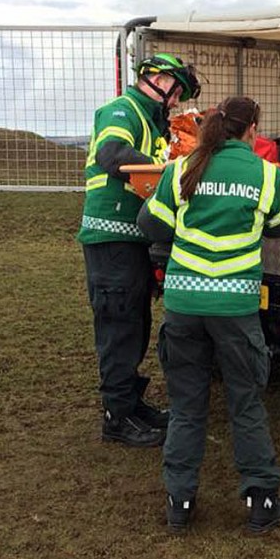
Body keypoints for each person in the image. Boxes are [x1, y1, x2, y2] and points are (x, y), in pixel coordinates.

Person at [137, 96, 280, 534]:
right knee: (246, 404)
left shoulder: (181, 170)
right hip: (235, 308)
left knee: (187, 408)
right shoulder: (267, 174)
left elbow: (150, 224)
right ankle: (262, 501)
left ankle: (180, 502)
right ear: (252, 130)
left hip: (184, 305)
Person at [78, 53, 201, 448]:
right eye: (176, 91)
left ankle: (131, 404)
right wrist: (165, 171)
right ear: (158, 80)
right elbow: (112, 154)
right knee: (119, 326)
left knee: (135, 323)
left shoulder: (151, 121)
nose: (176, 100)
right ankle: (117, 417)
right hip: (111, 236)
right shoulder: (123, 110)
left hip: (132, 239)